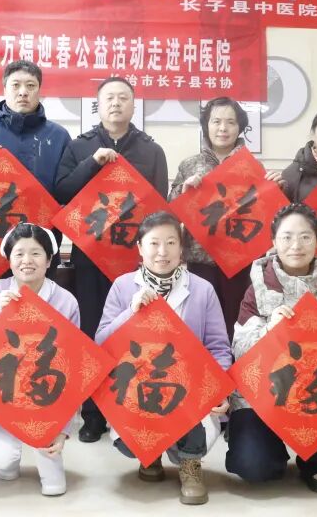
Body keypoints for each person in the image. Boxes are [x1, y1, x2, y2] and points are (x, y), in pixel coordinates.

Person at [54, 76, 168, 443]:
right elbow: (61, 191)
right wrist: (92, 164)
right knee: (91, 333)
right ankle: (92, 414)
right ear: (98, 105)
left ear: (134, 105)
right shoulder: (79, 146)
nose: (116, 103)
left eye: (123, 98)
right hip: (90, 258)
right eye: (109, 98)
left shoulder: (151, 151)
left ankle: (128, 408)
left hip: (137, 263)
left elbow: (160, 207)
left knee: (135, 334)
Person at [97, 212, 231, 505]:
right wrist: (130, 312)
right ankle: (150, 453)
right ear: (139, 248)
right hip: (138, 388)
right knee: (129, 440)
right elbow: (101, 344)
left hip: (187, 389)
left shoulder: (202, 289)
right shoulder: (123, 286)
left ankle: (190, 464)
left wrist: (219, 388)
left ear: (181, 248)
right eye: (154, 243)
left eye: (171, 243)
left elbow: (219, 348)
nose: (162, 251)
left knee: (192, 414)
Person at [225, 203, 317, 493]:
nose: (296, 245)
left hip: (314, 388)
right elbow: (240, 350)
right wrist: (269, 330)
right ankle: (270, 446)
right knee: (255, 467)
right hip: (262, 394)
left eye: (305, 237)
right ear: (274, 242)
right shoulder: (258, 284)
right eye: (286, 237)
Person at [0, 223, 78, 497]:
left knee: (54, 487)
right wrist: (0, 315)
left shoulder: (66, 301)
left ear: (49, 260)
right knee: (1, 461)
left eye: (36, 253)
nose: (27, 261)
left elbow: (75, 366)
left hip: (47, 397)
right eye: (19, 254)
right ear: (9, 260)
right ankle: (9, 449)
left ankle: (47, 452)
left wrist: (63, 428)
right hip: (4, 392)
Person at [169, 97, 282, 340]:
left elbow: (267, 214)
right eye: (216, 121)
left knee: (236, 321)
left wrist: (277, 189)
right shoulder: (190, 165)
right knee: (199, 324)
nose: (223, 128)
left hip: (240, 261)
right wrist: (183, 192)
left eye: (230, 122)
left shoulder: (253, 166)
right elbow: (171, 211)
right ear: (206, 125)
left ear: (240, 127)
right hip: (200, 259)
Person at [0, 61, 71, 288]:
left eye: (30, 85)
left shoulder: (59, 136)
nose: (23, 92)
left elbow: (67, 187)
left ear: (39, 90)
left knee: (42, 305)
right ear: (5, 89)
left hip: (43, 242)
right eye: (16, 85)